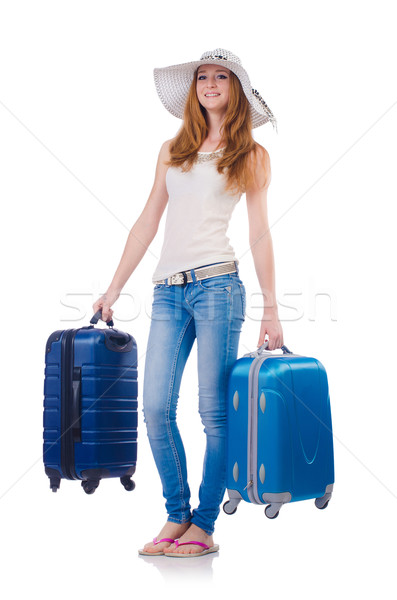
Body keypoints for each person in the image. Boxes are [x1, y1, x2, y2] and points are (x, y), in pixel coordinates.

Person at [92, 48, 284, 557]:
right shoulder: (171, 149)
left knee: (214, 413)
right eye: (203, 76)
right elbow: (148, 220)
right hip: (167, 291)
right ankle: (177, 515)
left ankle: (204, 524)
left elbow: (259, 232)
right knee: (155, 406)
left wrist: (271, 307)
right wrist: (113, 287)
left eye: (222, 76)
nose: (211, 83)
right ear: (194, 87)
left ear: (236, 89)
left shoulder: (252, 154)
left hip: (219, 286)